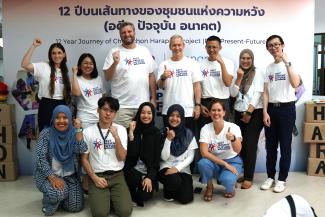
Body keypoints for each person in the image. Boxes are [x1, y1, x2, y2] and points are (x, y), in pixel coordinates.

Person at [81, 96, 132, 217]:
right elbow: (84, 158)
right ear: (98, 110)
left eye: (112, 111)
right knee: (100, 214)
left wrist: (116, 137)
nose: (108, 114)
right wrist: (94, 178)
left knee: (125, 212)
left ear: (115, 113)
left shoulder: (121, 130)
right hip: (98, 176)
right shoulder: (88, 132)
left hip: (117, 175)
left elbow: (121, 157)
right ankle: (104, 198)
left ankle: (109, 198)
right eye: (105, 109)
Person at [261, 35, 300, 193]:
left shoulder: (290, 64)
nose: (274, 47)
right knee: (270, 147)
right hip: (271, 109)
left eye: (276, 44)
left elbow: (295, 84)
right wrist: (265, 112)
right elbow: (265, 93)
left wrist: (287, 63)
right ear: (267, 48)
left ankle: (282, 179)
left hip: (287, 110)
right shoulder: (268, 68)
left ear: (282, 45)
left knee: (285, 146)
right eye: (270, 45)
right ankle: (270, 176)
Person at [33, 105, 87, 216]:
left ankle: (62, 196)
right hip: (48, 176)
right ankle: (49, 202)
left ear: (70, 119)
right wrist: (52, 177)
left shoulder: (74, 133)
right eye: (57, 118)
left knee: (75, 207)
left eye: (65, 117)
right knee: (57, 193)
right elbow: (40, 157)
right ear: (53, 119)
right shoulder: (46, 133)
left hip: (70, 177)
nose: (61, 121)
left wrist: (78, 130)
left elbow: (81, 149)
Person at [103, 21, 157, 129]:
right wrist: (115, 62)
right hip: (121, 107)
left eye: (129, 31)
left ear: (134, 32)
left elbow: (151, 75)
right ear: (120, 35)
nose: (127, 34)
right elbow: (107, 77)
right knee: (122, 140)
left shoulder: (144, 51)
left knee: (143, 141)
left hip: (143, 107)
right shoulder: (114, 52)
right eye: (123, 32)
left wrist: (154, 99)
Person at [230, 49, 264, 189]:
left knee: (250, 145)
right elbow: (233, 93)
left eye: (248, 58)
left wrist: (249, 113)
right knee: (241, 146)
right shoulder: (237, 73)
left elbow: (258, 93)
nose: (245, 61)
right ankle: (245, 173)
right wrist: (238, 78)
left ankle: (249, 177)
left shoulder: (258, 73)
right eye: (243, 58)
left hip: (253, 113)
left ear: (252, 59)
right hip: (238, 112)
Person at [21, 38, 71, 132]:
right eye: (54, 53)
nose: (57, 55)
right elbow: (24, 64)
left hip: (62, 104)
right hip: (47, 105)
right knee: (45, 136)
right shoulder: (44, 66)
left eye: (59, 53)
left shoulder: (65, 70)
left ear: (64, 55)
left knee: (61, 135)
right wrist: (34, 46)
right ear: (50, 55)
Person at [198, 99, 242, 200]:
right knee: (203, 163)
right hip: (215, 161)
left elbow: (238, 150)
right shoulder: (205, 128)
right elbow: (204, 153)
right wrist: (225, 164)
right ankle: (209, 187)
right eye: (213, 110)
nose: (216, 113)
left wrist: (233, 139)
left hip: (232, 161)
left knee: (227, 180)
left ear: (224, 112)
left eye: (219, 110)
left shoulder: (233, 127)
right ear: (209, 113)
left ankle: (230, 186)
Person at [157, 34, 202, 133]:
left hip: (188, 111)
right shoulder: (164, 64)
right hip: (169, 111)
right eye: (174, 45)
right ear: (170, 47)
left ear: (183, 46)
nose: (177, 48)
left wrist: (198, 105)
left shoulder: (192, 63)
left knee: (188, 143)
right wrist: (163, 77)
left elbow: (197, 86)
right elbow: (160, 86)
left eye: (179, 45)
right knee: (170, 141)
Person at [158, 104, 198, 204]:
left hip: (183, 169)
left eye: (178, 116)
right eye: (171, 115)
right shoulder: (162, 133)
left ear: (182, 118)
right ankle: (168, 191)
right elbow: (164, 157)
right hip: (166, 167)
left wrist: (177, 168)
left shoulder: (188, 133)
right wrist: (168, 139)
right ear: (167, 117)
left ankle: (176, 189)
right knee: (173, 181)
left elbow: (191, 156)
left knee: (186, 199)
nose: (174, 118)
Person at [124, 102, 161, 207]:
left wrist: (149, 177)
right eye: (143, 113)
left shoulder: (156, 133)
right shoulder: (132, 130)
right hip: (133, 169)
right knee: (132, 177)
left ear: (153, 115)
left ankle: (141, 185)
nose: (146, 116)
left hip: (148, 171)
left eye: (149, 113)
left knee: (144, 197)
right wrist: (131, 133)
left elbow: (156, 160)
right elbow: (131, 154)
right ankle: (131, 188)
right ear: (139, 114)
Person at [199, 35, 234, 126]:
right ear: (205, 47)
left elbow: (228, 83)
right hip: (206, 103)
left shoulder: (228, 62)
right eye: (209, 47)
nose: (211, 50)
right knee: (205, 134)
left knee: (222, 133)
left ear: (220, 47)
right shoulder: (199, 64)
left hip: (222, 103)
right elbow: (197, 87)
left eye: (214, 47)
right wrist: (199, 105)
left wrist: (222, 64)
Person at [71, 53, 105, 129]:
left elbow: (103, 96)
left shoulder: (98, 79)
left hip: (99, 117)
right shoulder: (76, 79)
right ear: (79, 66)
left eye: (91, 64)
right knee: (84, 140)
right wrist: (74, 74)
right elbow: (76, 93)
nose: (88, 66)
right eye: (85, 63)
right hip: (84, 118)